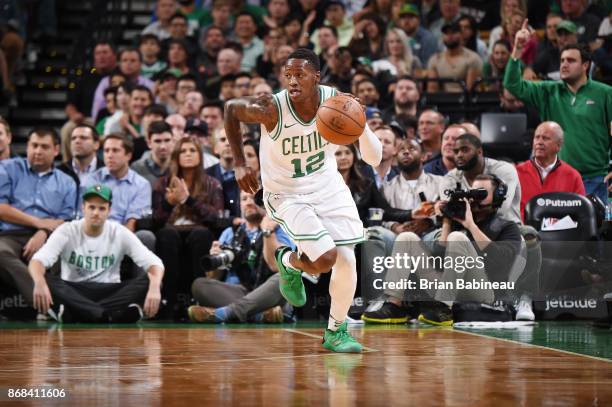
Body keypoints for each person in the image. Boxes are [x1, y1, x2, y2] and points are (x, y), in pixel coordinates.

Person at [224, 48, 382, 352]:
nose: (292, 81)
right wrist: (240, 162)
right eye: (288, 75)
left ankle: (336, 331)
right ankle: (289, 261)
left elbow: (374, 159)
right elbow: (231, 109)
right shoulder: (270, 108)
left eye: (300, 74)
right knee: (325, 260)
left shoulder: (336, 101)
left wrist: (359, 121)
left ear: (316, 77)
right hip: (287, 193)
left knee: (347, 259)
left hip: (328, 186)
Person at [362, 174, 523, 325]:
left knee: (457, 238)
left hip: (483, 289)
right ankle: (394, 306)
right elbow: (439, 257)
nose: (474, 199)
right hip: (450, 287)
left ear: (496, 197)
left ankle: (443, 308)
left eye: (482, 194)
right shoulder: (459, 221)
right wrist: (447, 220)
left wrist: (471, 226)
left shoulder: (507, 226)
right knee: (407, 238)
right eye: (473, 193)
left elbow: (501, 260)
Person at [504, 21, 612, 203]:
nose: (564, 64)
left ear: (585, 65)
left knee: (597, 231)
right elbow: (513, 85)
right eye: (562, 60)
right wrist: (517, 50)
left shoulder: (605, 93)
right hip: (560, 178)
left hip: (595, 179)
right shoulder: (548, 91)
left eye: (571, 60)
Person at [29, 185, 164, 323]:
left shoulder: (119, 232)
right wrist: (39, 282)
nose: (95, 213)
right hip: (75, 289)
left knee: (151, 279)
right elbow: (37, 261)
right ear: (83, 208)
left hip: (111, 290)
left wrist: (154, 287)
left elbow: (155, 263)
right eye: (91, 207)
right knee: (42, 277)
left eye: (101, 208)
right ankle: (109, 315)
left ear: (109, 211)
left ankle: (79, 314)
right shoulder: (67, 230)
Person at [188, 191, 294, 323]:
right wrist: (215, 260)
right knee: (199, 285)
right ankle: (259, 315)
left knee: (284, 278)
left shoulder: (280, 228)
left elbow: (281, 267)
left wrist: (268, 231)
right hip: (238, 291)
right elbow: (213, 277)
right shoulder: (230, 232)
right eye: (244, 199)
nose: (249, 202)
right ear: (240, 205)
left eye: (253, 198)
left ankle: (225, 313)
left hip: (268, 292)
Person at [0, 128, 76, 307]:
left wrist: (42, 232)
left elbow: (66, 218)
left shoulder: (67, 182)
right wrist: (38, 222)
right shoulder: (8, 169)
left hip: (50, 237)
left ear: (56, 150)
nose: (38, 151)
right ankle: (48, 305)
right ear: (27, 146)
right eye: (34, 145)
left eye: (44, 147)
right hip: (11, 235)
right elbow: (2, 208)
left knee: (63, 254)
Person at [153, 137, 224, 318]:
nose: (188, 154)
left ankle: (198, 298)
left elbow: (216, 218)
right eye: (183, 151)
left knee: (201, 234)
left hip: (200, 233)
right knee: (166, 234)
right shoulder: (162, 183)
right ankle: (168, 299)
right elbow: (155, 221)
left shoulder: (212, 183)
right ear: (176, 156)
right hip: (171, 232)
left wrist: (188, 200)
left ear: (200, 156)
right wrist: (169, 203)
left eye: (192, 150)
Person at [439, 133, 522, 224]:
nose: (459, 155)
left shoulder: (503, 170)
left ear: (479, 151)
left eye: (465, 150)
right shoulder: (450, 178)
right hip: (466, 229)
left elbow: (501, 210)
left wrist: (465, 208)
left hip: (509, 228)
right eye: (456, 151)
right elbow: (450, 213)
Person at [516, 121, 585, 221]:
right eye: (537, 137)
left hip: (562, 234)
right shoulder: (517, 172)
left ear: (559, 145)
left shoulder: (573, 176)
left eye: (545, 138)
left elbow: (580, 213)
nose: (539, 142)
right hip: (525, 233)